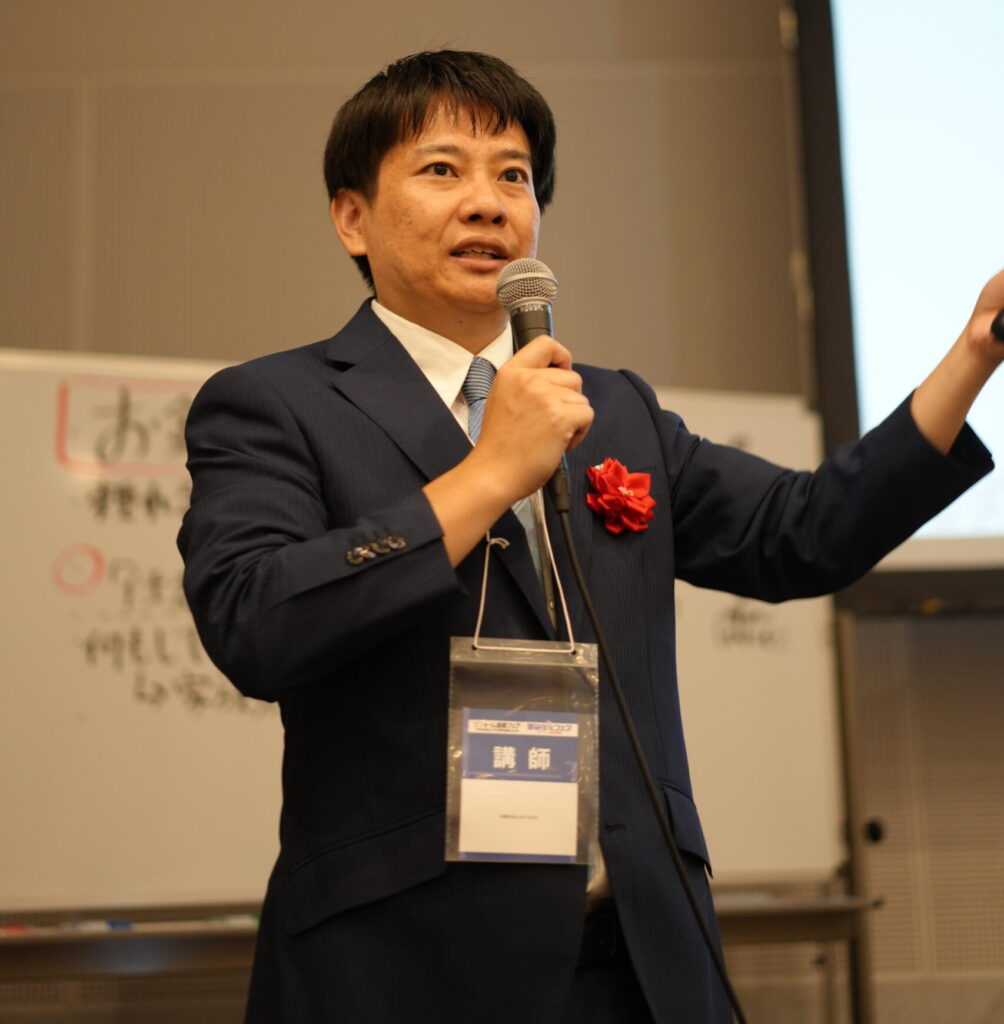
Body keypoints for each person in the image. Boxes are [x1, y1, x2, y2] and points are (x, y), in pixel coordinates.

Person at [178, 50, 1002, 1024]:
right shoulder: (277, 402)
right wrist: (489, 472)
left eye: (513, 175)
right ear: (351, 217)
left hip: (640, 963)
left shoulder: (612, 410)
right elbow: (255, 620)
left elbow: (806, 532)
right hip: (406, 968)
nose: (486, 202)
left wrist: (976, 350)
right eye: (442, 169)